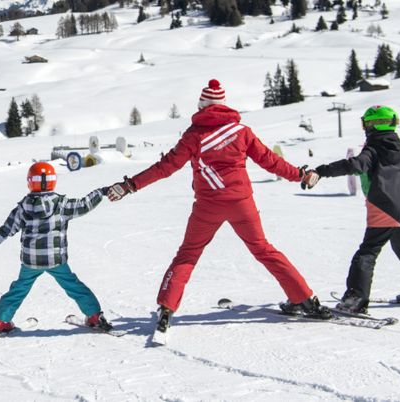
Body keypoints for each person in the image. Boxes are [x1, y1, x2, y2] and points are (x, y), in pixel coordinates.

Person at [105, 79, 332, 335]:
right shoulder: (241, 132)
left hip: (207, 207)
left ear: (202, 105)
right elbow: (270, 161)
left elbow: (165, 167)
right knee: (263, 249)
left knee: (188, 254)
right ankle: (305, 298)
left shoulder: (194, 136)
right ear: (224, 104)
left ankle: (166, 308)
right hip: (241, 203)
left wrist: (130, 186)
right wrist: (299, 175)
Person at [302, 105, 400, 312]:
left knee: (367, 253)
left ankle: (356, 299)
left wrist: (321, 171)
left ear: (372, 125)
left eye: (365, 123)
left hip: (383, 208)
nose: (364, 127)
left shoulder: (374, 149)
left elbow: (354, 165)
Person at [0, 162, 114, 336]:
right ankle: (94, 316)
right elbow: (85, 204)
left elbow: (7, 229)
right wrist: (102, 192)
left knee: (19, 289)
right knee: (74, 286)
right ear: (53, 181)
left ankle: (1, 321)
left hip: (30, 262)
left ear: (30, 181)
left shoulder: (23, 208)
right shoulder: (61, 205)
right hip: (56, 260)